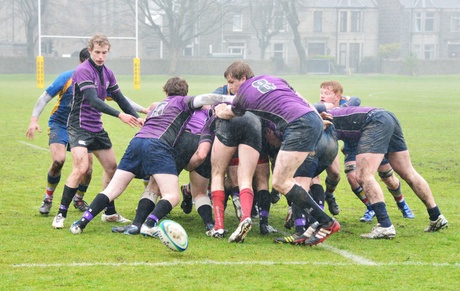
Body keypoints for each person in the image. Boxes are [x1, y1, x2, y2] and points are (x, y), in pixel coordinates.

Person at [69, 77, 234, 234]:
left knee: (113, 189)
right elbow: (206, 98)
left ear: (165, 91)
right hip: (158, 145)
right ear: (185, 93)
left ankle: (81, 223)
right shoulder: (183, 101)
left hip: (136, 142)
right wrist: (232, 99)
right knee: (172, 195)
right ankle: (149, 224)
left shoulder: (158, 105)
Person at [213, 61, 340, 246]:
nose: (230, 87)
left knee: (281, 181)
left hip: (298, 126)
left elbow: (229, 114)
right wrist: (317, 122)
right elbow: (301, 98)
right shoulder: (273, 78)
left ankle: (325, 222)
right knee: (287, 180)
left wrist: (219, 111)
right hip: (310, 119)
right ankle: (313, 224)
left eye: (232, 82)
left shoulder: (244, 95)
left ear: (243, 78)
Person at [51, 34, 144, 229]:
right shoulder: (82, 70)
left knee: (112, 168)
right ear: (90, 51)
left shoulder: (108, 73)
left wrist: (136, 116)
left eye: (104, 53)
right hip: (79, 126)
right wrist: (120, 116)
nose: (100, 56)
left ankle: (109, 213)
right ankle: (60, 214)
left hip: (96, 128)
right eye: (97, 52)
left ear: (108, 52)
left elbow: (119, 97)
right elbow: (93, 100)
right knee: (81, 169)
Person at [320, 105, 448, 238]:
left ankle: (384, 225)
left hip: (374, 121)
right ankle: (436, 216)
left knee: (364, 176)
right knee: (409, 172)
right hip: (387, 117)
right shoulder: (322, 115)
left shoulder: (318, 121)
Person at [316, 80, 414, 222]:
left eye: (327, 93)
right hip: (352, 146)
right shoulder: (322, 109)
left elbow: (356, 99)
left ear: (337, 96)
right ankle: (370, 207)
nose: (322, 96)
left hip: (370, 142)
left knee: (388, 177)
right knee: (352, 177)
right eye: (321, 93)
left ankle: (402, 203)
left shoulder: (349, 103)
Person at [26, 48, 93, 215]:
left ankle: (78, 199)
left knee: (88, 169)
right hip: (60, 124)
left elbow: (119, 97)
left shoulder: (97, 80)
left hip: (81, 127)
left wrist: (142, 110)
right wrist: (34, 120)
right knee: (59, 160)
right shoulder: (67, 78)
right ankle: (48, 198)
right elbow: (44, 98)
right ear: (82, 62)